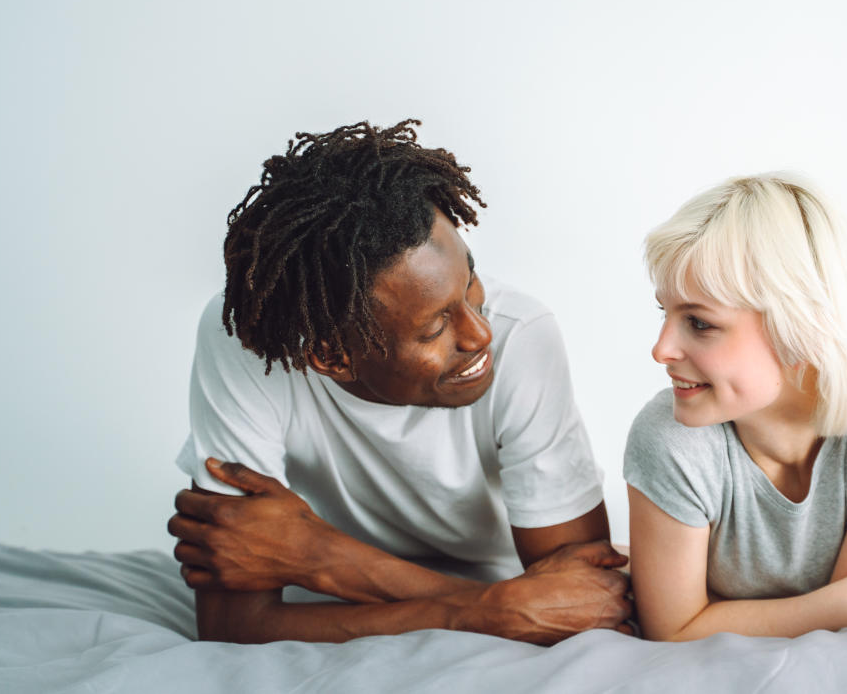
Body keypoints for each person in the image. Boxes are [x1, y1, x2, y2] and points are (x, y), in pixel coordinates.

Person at [166, 120, 631, 645]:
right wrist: (482, 612)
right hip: (492, 594)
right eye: (435, 326)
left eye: (470, 279)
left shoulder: (522, 335)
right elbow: (233, 626)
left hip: (500, 578)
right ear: (332, 358)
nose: (480, 334)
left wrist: (324, 557)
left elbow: (592, 599)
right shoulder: (249, 345)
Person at [624, 173, 847, 640]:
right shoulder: (668, 439)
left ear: (801, 328)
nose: (661, 350)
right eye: (664, 313)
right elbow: (674, 630)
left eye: (699, 323)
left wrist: (723, 616)